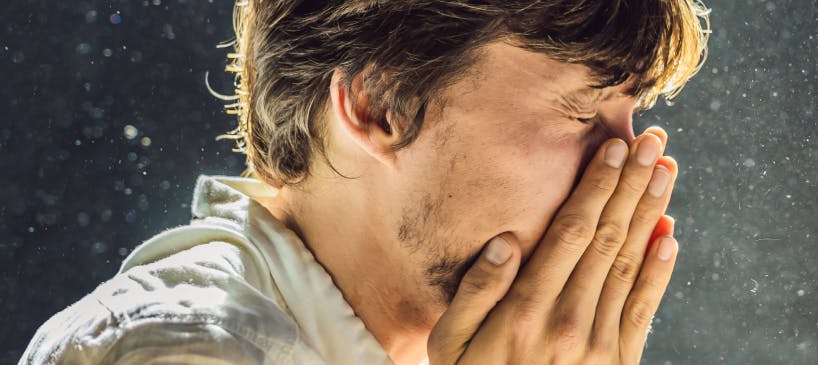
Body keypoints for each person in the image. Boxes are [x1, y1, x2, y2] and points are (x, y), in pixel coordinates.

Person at [20, 0, 709, 363]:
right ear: (384, 105)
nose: (627, 164)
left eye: (633, 112)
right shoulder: (186, 352)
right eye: (580, 109)